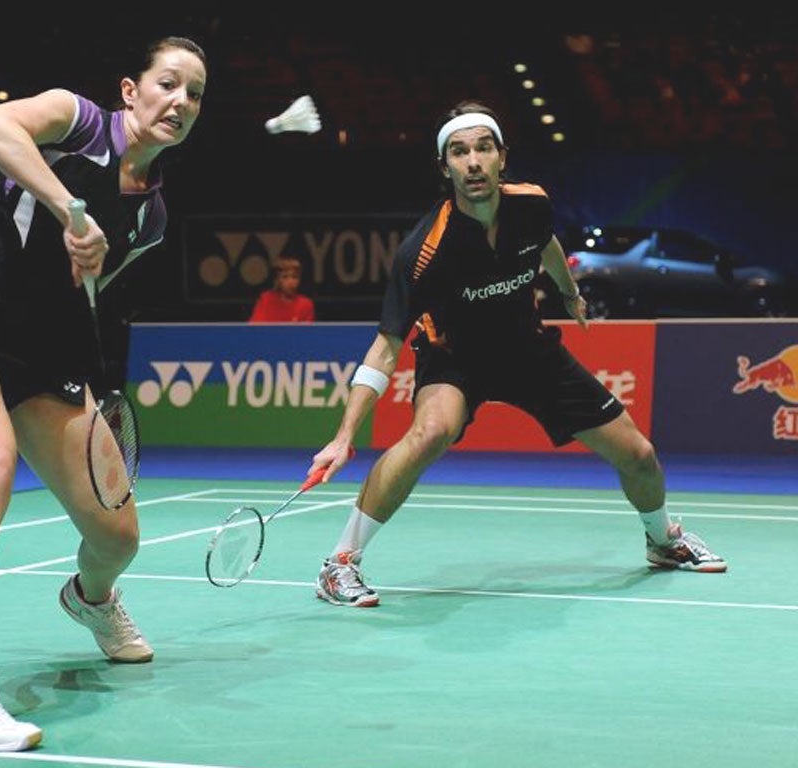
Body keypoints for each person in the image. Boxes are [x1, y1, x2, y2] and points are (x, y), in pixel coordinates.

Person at [0, 36, 207, 752]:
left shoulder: (153, 217)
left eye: (195, 94)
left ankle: (90, 599)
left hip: (42, 358)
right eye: (168, 83)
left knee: (118, 536)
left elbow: (80, 290)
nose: (181, 102)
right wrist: (71, 207)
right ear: (131, 90)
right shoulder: (80, 121)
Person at [308, 100, 727, 609]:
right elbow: (386, 346)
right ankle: (340, 564)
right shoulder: (422, 253)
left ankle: (662, 541)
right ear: (445, 167)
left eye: (483, 148)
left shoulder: (531, 204)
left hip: (527, 349)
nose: (473, 162)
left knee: (638, 455)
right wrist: (344, 435)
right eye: (459, 152)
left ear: (501, 156)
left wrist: (569, 292)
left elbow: (545, 242)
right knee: (430, 432)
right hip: (454, 358)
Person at [248, 254, 316, 322]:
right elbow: (255, 328)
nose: (290, 282)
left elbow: (306, 332)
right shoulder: (266, 299)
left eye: (295, 277)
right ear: (277, 280)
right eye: (285, 277)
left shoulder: (306, 304)